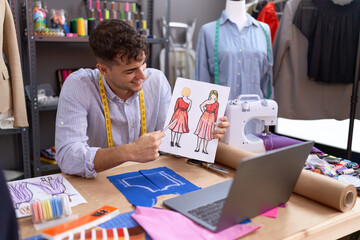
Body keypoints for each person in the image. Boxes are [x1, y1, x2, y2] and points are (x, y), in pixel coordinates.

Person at [55, 19, 230, 178]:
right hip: (100, 183)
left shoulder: (157, 81)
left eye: (143, 65)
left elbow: (171, 145)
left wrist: (205, 134)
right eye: (130, 71)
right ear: (103, 70)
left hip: (147, 177)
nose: (143, 76)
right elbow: (68, 157)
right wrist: (129, 152)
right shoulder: (79, 86)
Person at [194, 90, 219, 154]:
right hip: (205, 116)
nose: (213, 96)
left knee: (207, 134)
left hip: (211, 117)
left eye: (214, 95)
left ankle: (204, 149)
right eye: (212, 94)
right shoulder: (207, 101)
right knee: (201, 133)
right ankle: (197, 147)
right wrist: (203, 112)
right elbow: (201, 105)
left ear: (216, 96)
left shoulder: (216, 103)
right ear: (210, 95)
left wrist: (215, 121)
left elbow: (216, 112)